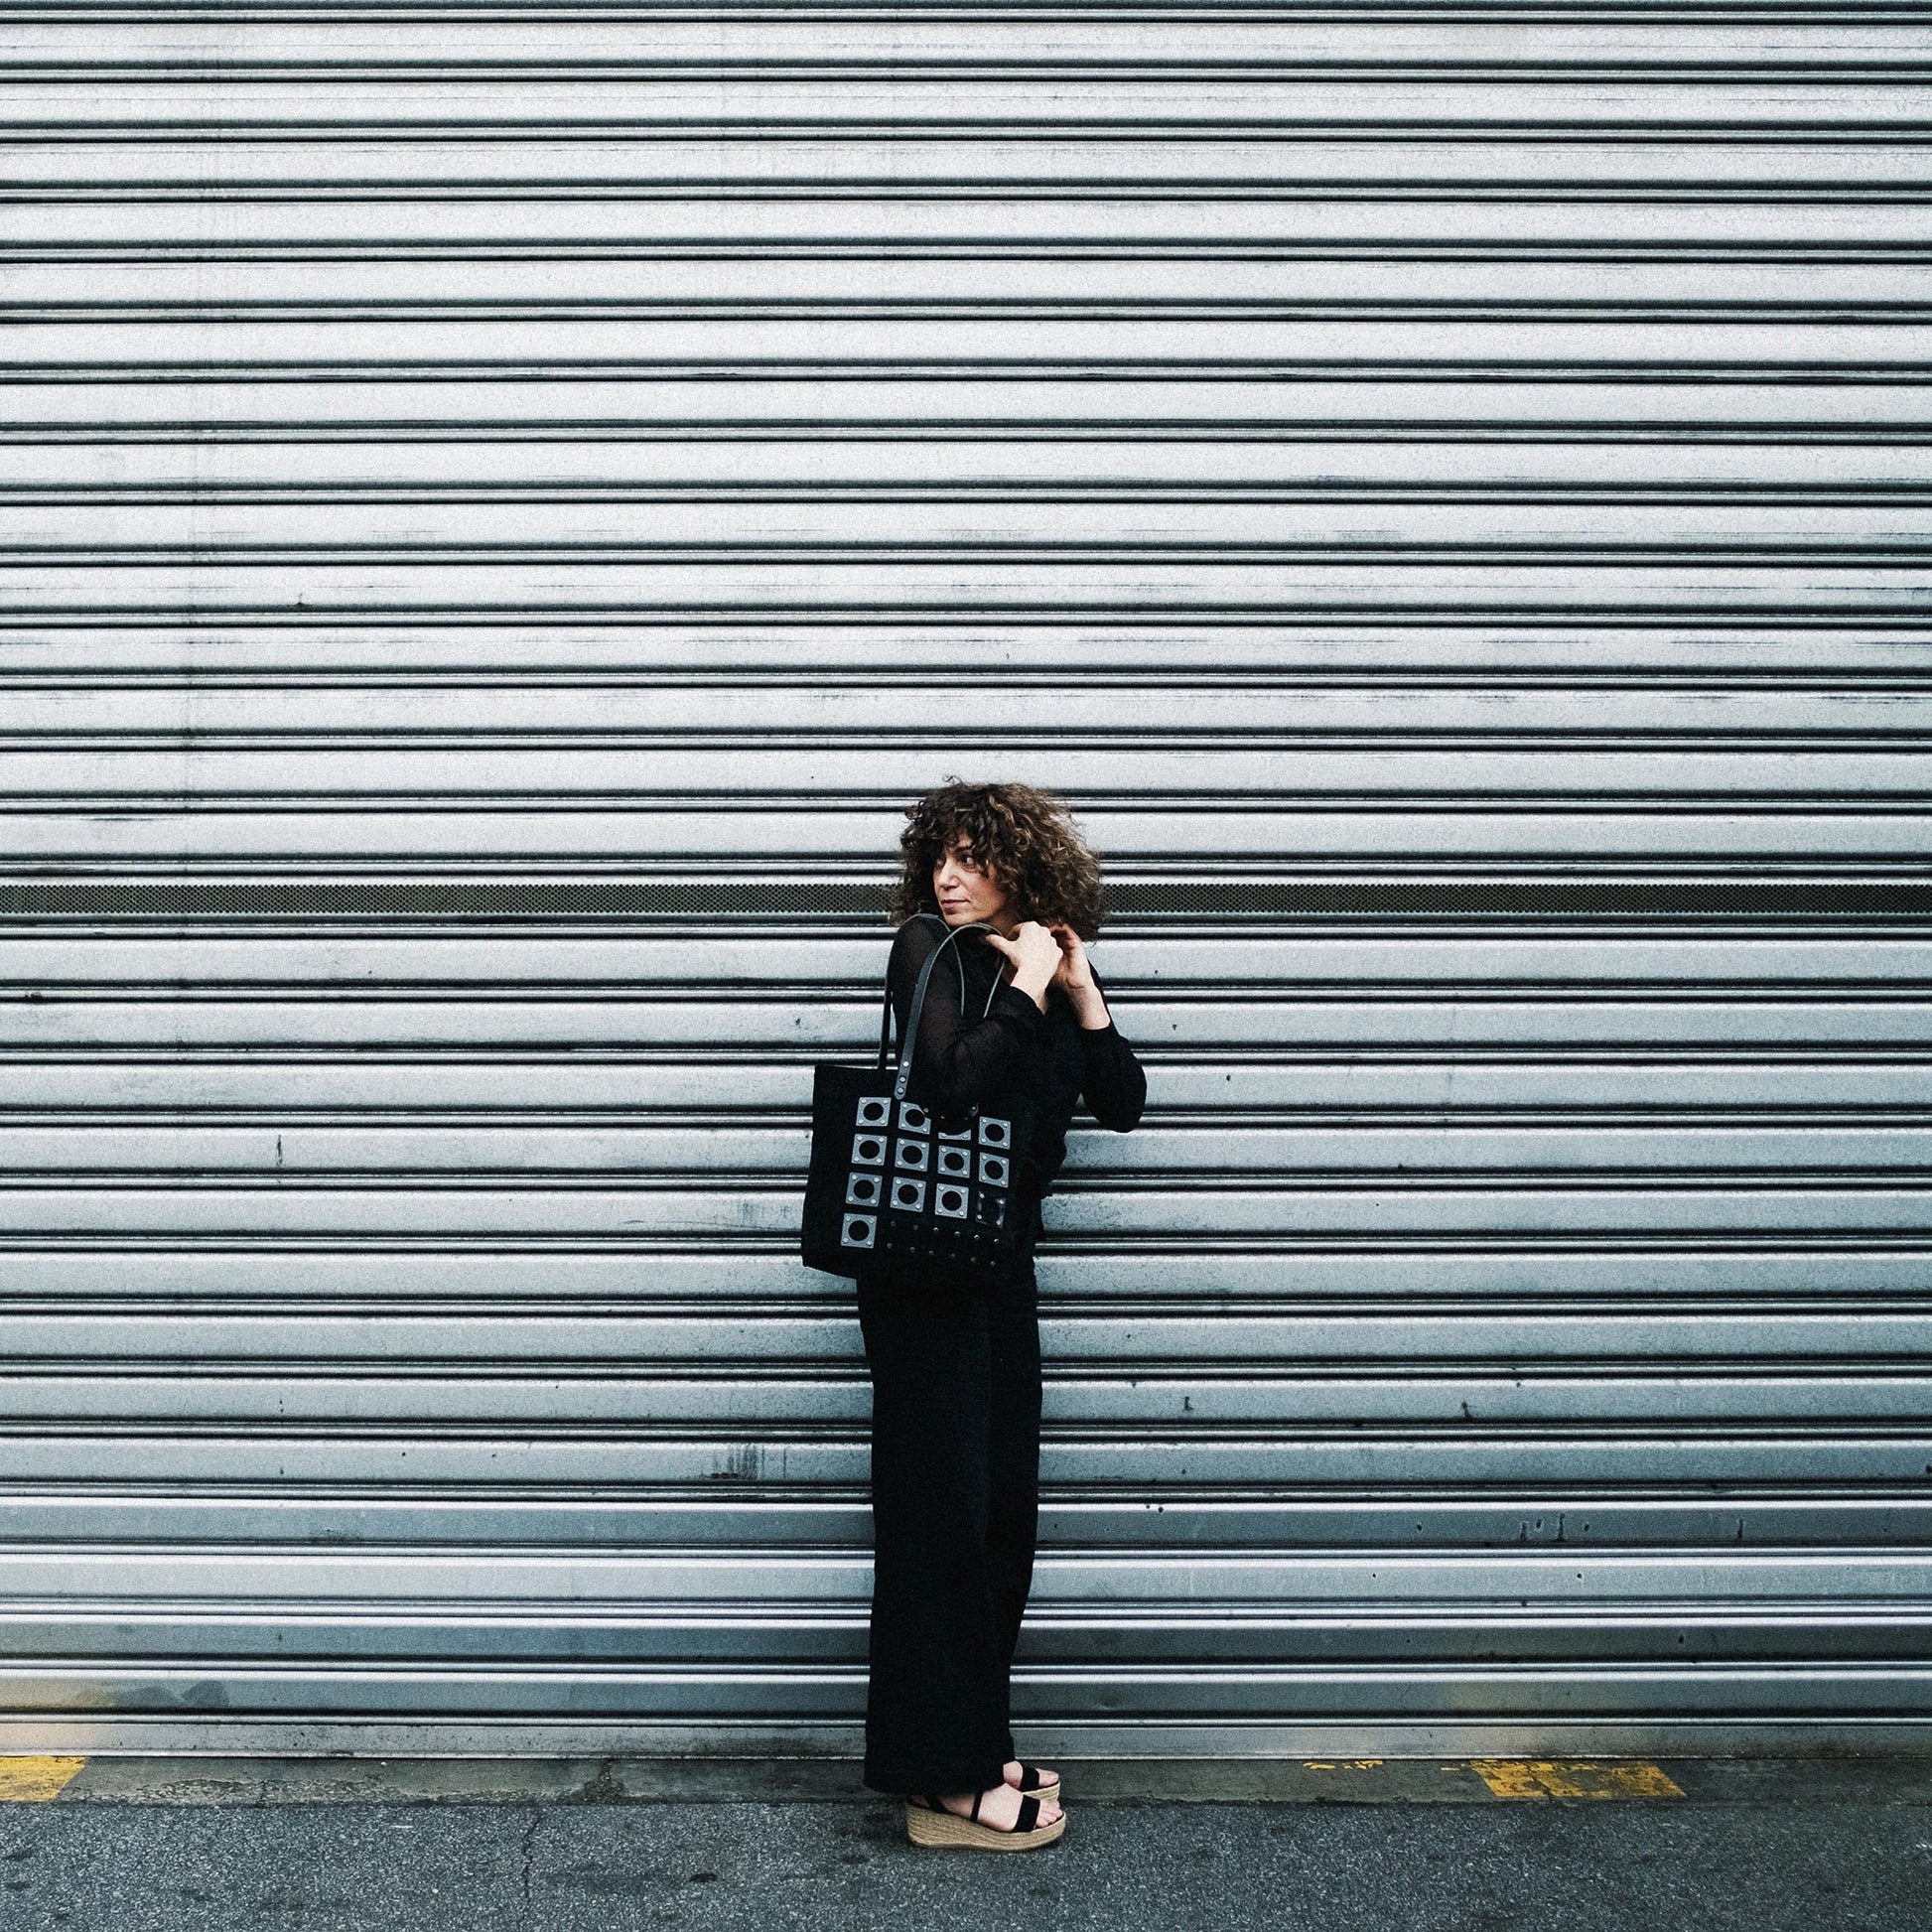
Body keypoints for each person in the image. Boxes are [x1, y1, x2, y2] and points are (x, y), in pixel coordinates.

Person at [856, 781, 1146, 1852]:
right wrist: (1022, 985)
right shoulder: (925, 949)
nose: (947, 874)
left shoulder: (1039, 961)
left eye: (971, 856)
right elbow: (944, 1088)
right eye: (938, 854)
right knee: (940, 1521)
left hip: (999, 1269)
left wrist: (1074, 982)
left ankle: (971, 1742)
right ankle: (941, 1779)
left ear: (1020, 867)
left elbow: (1119, 1096)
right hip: (924, 1280)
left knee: (998, 1518)